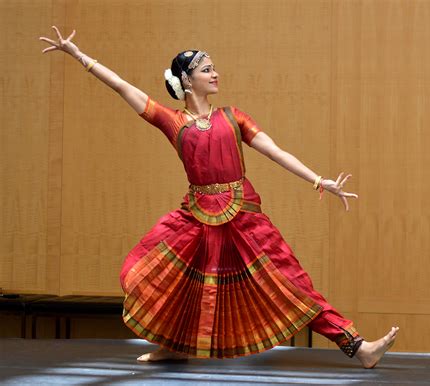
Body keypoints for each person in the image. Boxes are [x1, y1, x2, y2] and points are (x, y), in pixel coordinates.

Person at [39, 26, 399, 368]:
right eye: (207, 70)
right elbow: (121, 86)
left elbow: (275, 151)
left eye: (214, 68)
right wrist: (77, 54)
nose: (215, 74)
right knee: (169, 277)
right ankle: (173, 348)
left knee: (291, 282)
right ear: (186, 80)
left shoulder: (233, 117)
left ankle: (358, 346)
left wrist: (319, 180)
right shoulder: (173, 121)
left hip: (243, 215)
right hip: (195, 217)